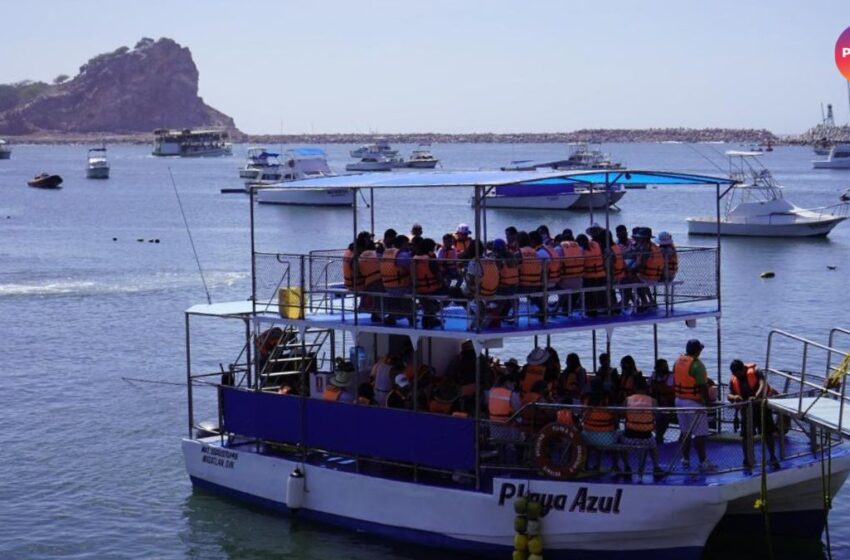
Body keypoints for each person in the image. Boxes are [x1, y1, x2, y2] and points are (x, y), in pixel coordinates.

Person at [673, 339, 717, 471]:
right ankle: (703, 461)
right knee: (700, 434)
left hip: (679, 400)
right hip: (694, 403)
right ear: (698, 351)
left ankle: (685, 459)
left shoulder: (677, 362)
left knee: (684, 432)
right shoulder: (698, 365)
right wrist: (707, 402)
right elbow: (702, 387)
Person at [728, 359, 780, 469]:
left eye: (737, 373)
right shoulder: (734, 379)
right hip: (746, 411)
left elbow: (762, 383)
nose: (736, 376)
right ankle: (747, 460)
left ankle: (772, 457)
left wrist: (756, 396)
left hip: (761, 407)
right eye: (734, 374)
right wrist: (734, 397)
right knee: (746, 436)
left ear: (742, 369)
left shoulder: (756, 371)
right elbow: (729, 395)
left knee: (767, 433)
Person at [582, 379, 627, 475]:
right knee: (619, 437)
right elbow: (615, 418)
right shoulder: (608, 400)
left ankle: (586, 465)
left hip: (587, 437)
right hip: (606, 439)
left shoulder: (587, 400)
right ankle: (615, 466)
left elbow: (583, 415)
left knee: (593, 439)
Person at [622, 377, 663, 478]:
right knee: (653, 446)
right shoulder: (653, 401)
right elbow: (658, 416)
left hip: (629, 437)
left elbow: (623, 415)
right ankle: (656, 467)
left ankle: (627, 466)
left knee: (620, 441)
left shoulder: (627, 400)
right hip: (646, 437)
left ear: (635, 388)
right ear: (646, 388)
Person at [380, 235, 413, 325]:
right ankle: (411, 317)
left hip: (387, 285)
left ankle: (391, 316)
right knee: (417, 289)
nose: (408, 246)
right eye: (407, 244)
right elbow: (411, 267)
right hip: (401, 286)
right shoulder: (403, 255)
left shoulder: (387, 252)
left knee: (393, 301)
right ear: (403, 244)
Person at [413, 238, 446, 329]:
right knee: (454, 292)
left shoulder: (414, 258)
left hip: (419, 288)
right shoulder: (430, 260)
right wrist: (443, 283)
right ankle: (431, 313)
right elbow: (439, 276)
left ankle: (430, 316)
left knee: (428, 301)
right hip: (431, 289)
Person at [518, 231, 544, 318]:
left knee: (508, 290)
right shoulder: (536, 252)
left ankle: (505, 314)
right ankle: (543, 309)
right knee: (532, 292)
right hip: (536, 284)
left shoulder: (519, 253)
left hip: (523, 285)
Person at [558, 229, 584, 315]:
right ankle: (567, 307)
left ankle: (558, 307)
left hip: (564, 283)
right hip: (578, 283)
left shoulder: (558, 249)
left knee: (552, 281)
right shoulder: (580, 249)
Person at [650, 358, 675, 444]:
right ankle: (657, 436)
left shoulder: (671, 377)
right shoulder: (654, 376)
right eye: (663, 366)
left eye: (666, 366)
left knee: (664, 418)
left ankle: (659, 437)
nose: (666, 368)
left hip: (668, 405)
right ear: (657, 368)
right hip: (655, 404)